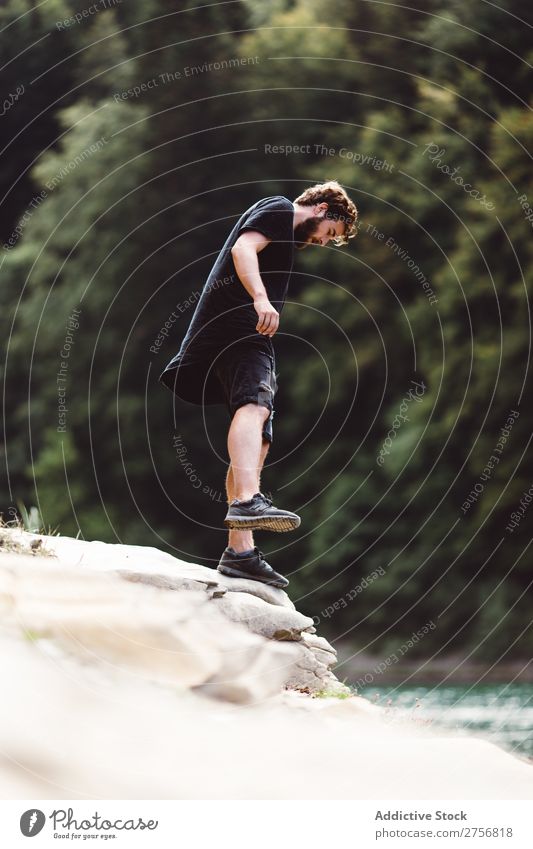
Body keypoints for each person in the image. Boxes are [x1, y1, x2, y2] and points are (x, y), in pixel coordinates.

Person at [159, 180, 358, 588]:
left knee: (259, 429)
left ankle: (240, 552)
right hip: (238, 328)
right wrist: (261, 299)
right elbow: (242, 249)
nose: (325, 242)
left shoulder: (284, 235)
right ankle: (249, 501)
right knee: (255, 406)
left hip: (234, 333)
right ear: (322, 208)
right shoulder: (280, 208)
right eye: (331, 233)